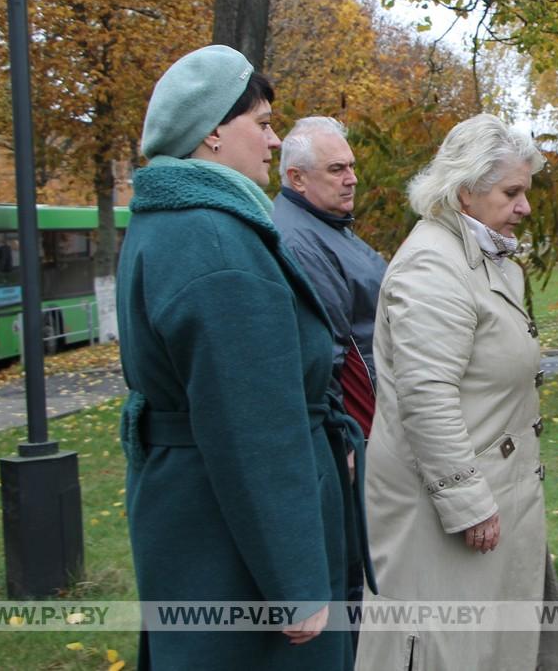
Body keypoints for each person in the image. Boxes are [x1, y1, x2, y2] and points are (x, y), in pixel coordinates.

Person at [117, 45, 373, 670]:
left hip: (198, 512)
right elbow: (254, 424)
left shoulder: (176, 221)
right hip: (233, 544)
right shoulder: (216, 242)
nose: (273, 139)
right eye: (260, 123)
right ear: (211, 132)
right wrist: (295, 583)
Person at [357, 114, 558, 670]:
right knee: (448, 650)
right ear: (463, 194)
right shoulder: (433, 264)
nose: (525, 206)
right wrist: (467, 502)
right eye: (512, 192)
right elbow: (424, 397)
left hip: (496, 495)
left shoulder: (480, 255)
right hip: (449, 515)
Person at [273, 117, 386, 437]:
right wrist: (345, 440)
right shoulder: (300, 243)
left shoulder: (325, 224)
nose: (352, 179)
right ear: (297, 179)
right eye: (337, 170)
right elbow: (325, 356)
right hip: (360, 426)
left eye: (351, 166)